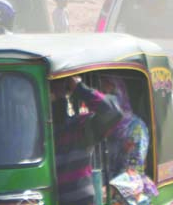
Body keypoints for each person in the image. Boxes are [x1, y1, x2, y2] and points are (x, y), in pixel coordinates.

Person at [52, 75, 122, 205]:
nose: (56, 95)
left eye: (60, 90)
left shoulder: (79, 126)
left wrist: (80, 88)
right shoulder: (32, 132)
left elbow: (113, 112)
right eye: (51, 91)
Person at [101, 76, 158, 201]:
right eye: (103, 95)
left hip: (128, 192)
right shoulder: (102, 126)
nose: (108, 100)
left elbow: (133, 169)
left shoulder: (135, 127)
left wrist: (109, 190)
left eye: (112, 94)